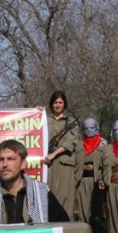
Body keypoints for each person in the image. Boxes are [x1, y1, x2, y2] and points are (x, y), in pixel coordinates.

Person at [0, 139, 69, 226]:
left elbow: (63, 228)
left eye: (10, 159)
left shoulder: (41, 192)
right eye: (1, 159)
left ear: (23, 164)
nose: (4, 164)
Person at [42, 91, 77, 219]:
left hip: (64, 165)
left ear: (64, 104)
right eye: (55, 102)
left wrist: (53, 154)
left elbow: (70, 142)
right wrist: (35, 113)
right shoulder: (44, 119)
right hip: (46, 165)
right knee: (46, 196)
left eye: (60, 102)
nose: (58, 105)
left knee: (65, 198)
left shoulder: (71, 122)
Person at [74, 117, 105, 223]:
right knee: (83, 211)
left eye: (91, 127)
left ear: (96, 128)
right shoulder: (78, 144)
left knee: (97, 210)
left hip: (97, 180)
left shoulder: (103, 144)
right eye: (86, 128)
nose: (88, 130)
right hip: (82, 180)